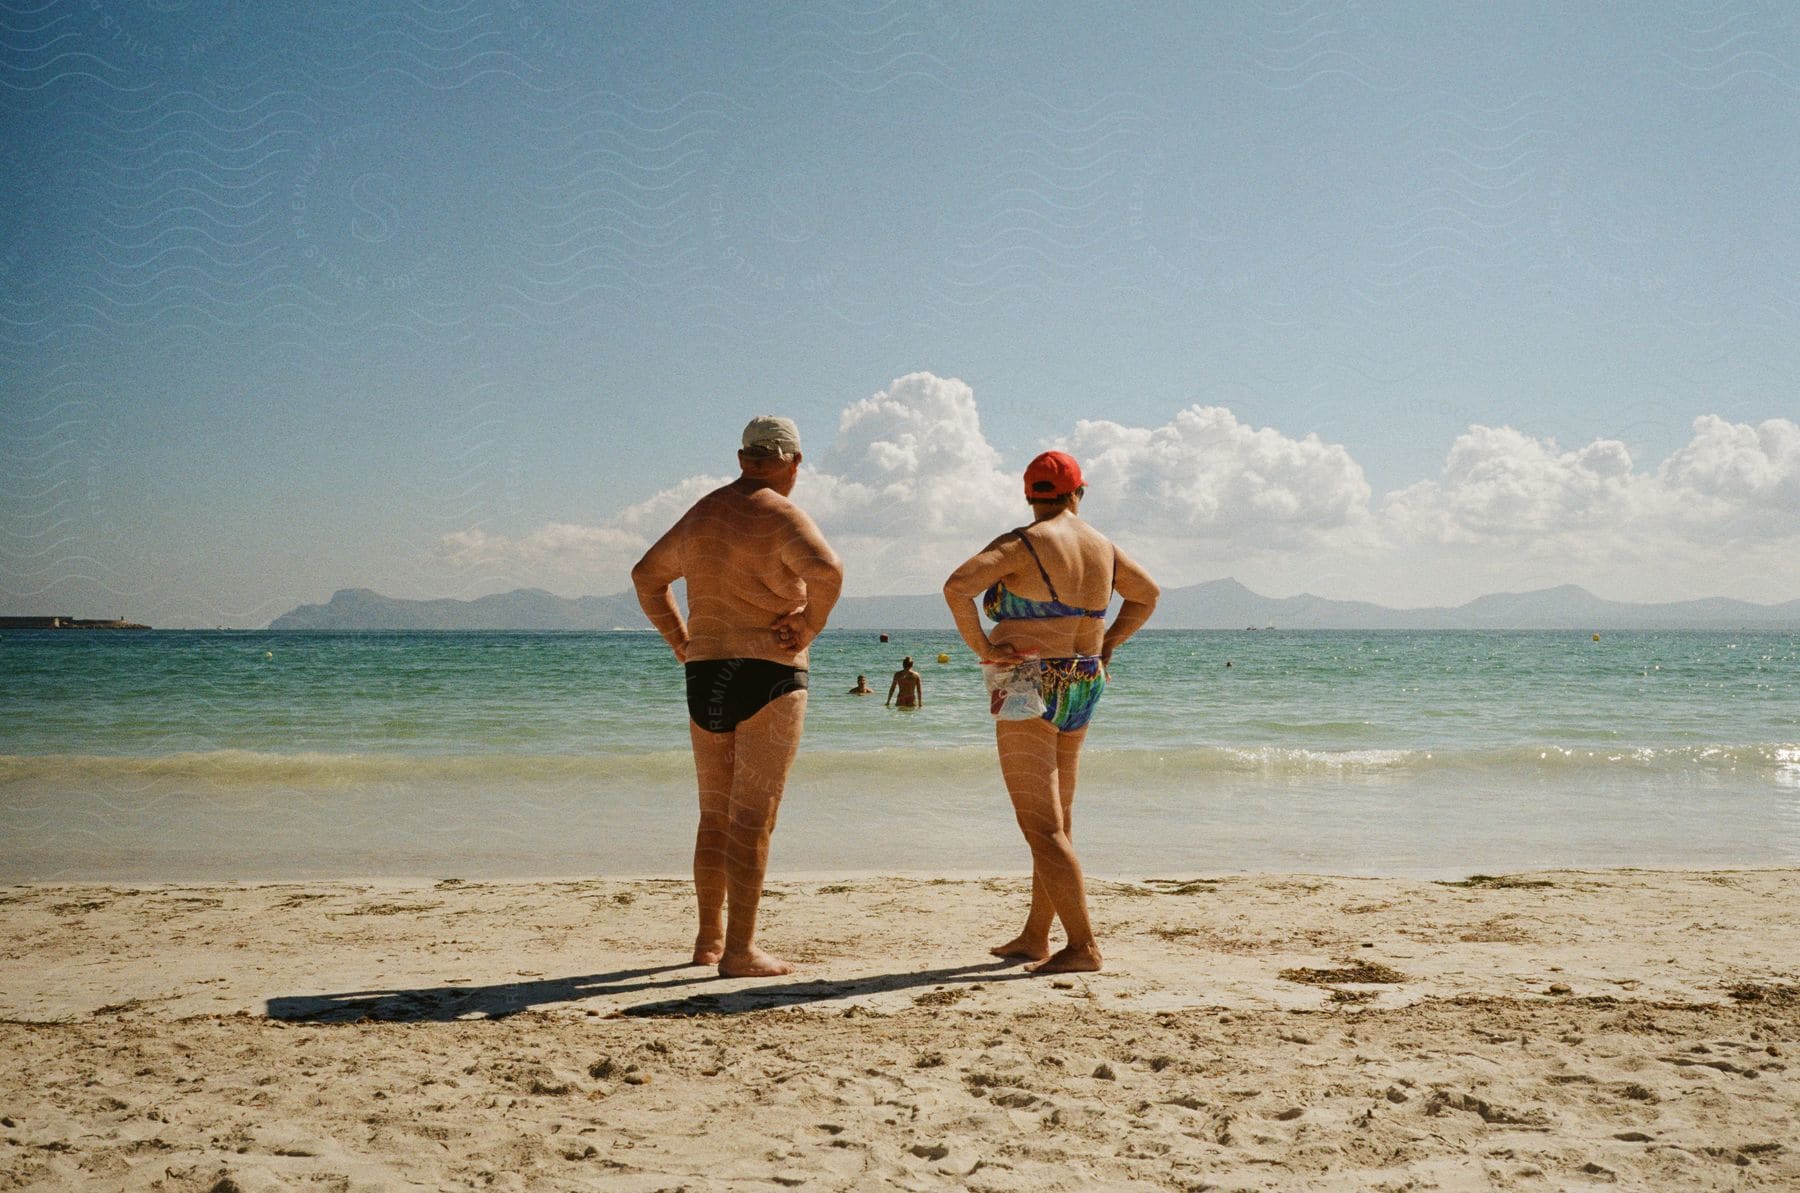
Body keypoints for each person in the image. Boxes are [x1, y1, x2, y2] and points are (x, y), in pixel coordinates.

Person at [631, 415, 843, 977]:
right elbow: (828, 570)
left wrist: (682, 641)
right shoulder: (781, 512)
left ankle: (707, 939)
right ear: (794, 462)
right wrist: (809, 626)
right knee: (753, 818)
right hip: (767, 672)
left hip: (706, 672)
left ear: (743, 457)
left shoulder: (703, 513)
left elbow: (646, 576)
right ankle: (740, 951)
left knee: (713, 815)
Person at [942, 450, 1158, 974]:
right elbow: (1146, 595)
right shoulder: (1101, 546)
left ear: (1028, 495)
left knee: (1041, 826)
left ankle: (1083, 946)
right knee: (1058, 821)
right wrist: (1109, 643)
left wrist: (982, 649)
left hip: (1025, 677)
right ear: (1077, 491)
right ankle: (1037, 934)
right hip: (1084, 677)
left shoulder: (1021, 544)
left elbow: (957, 587)